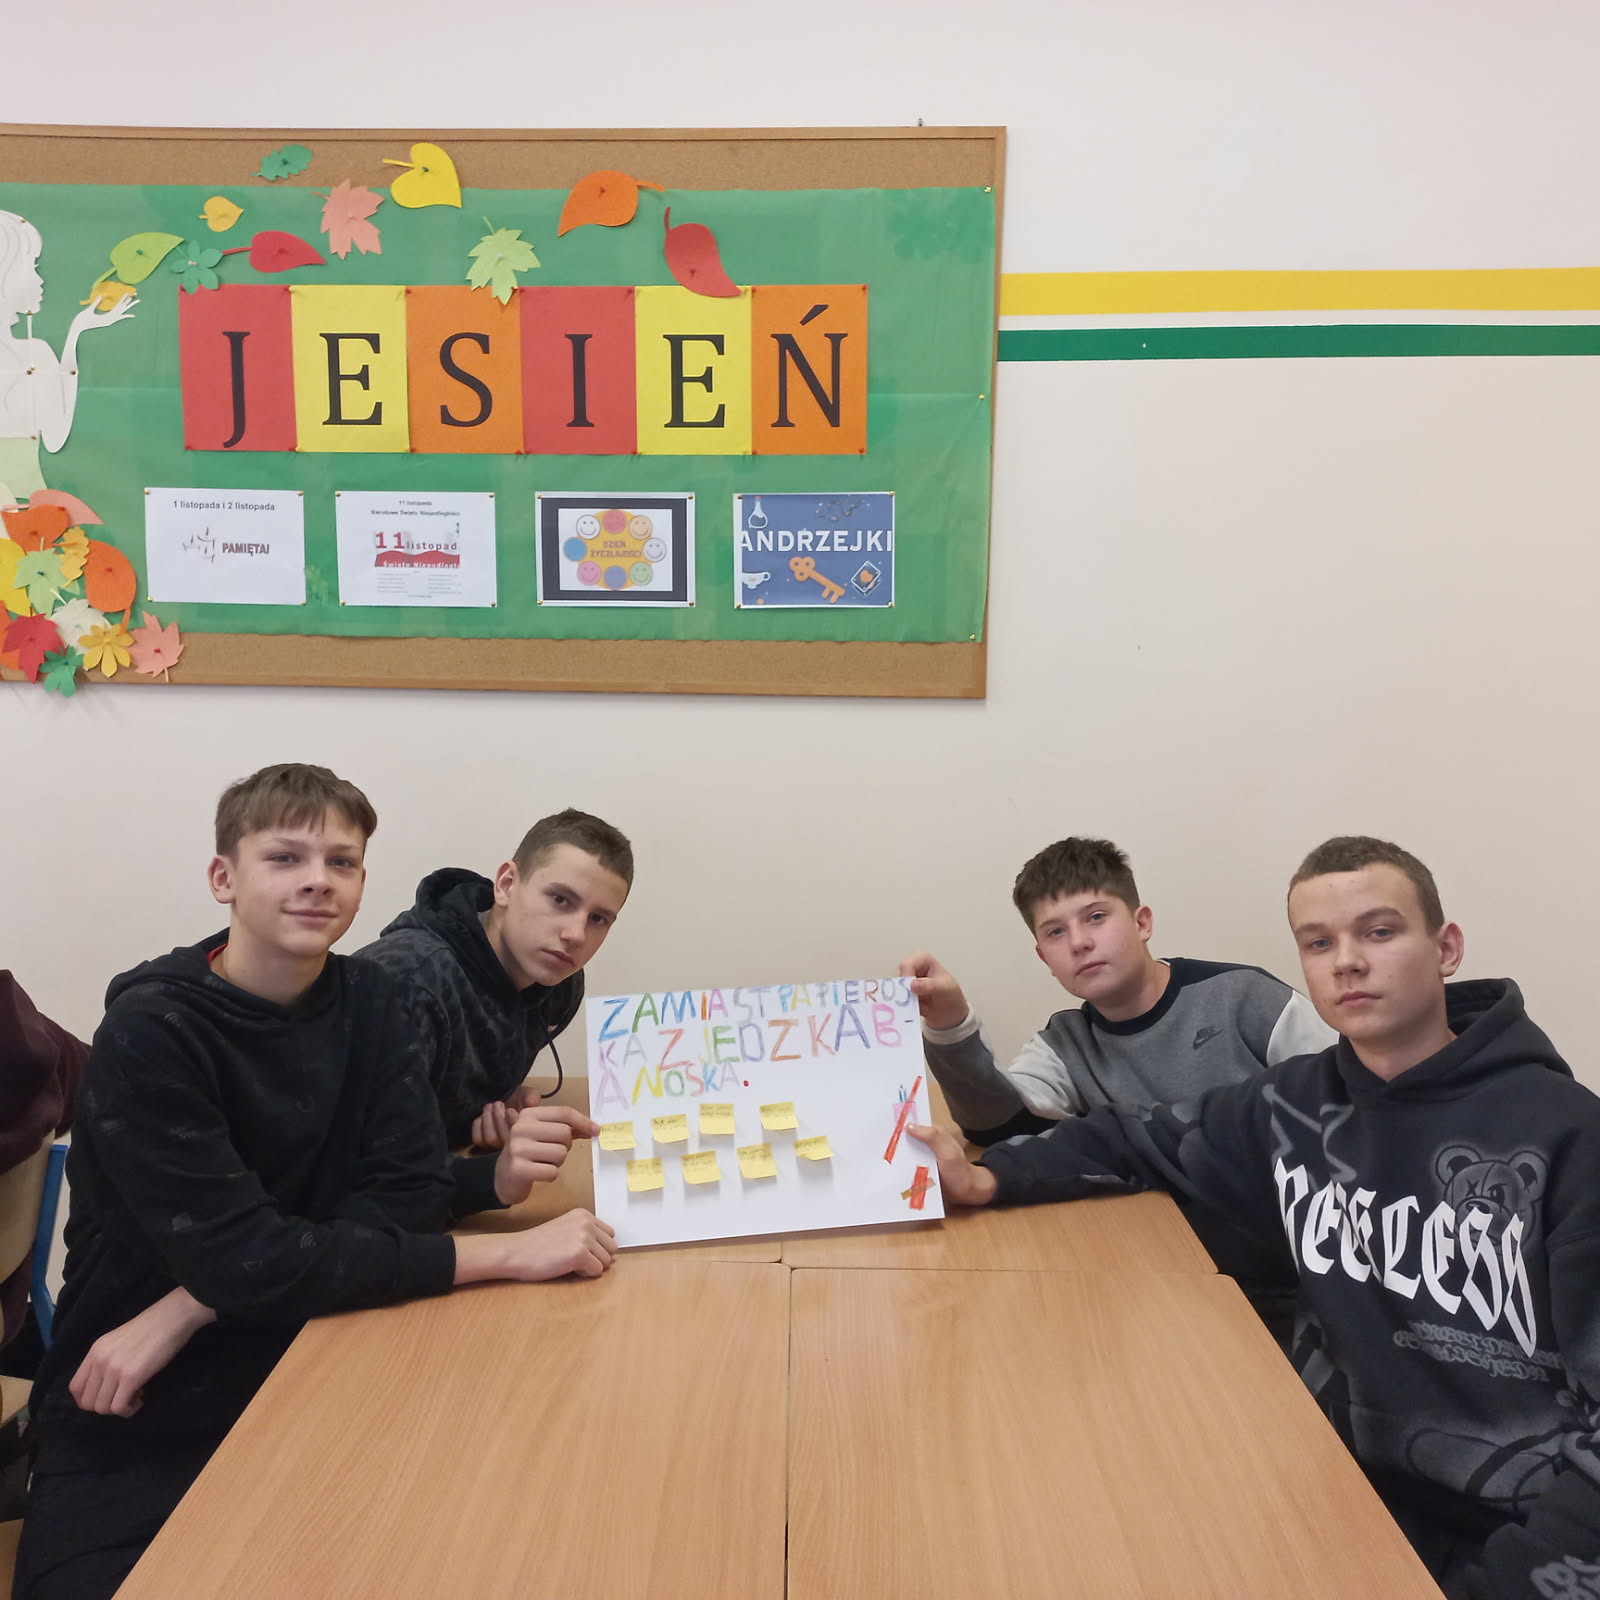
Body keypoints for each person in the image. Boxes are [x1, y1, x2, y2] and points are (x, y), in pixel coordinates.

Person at [912, 836, 1600, 1597]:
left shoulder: (1570, 1138)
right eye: (1319, 942)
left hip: (1502, 1533)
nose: (1347, 962)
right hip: (1325, 1485)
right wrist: (986, 1180)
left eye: (1378, 931)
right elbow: (1132, 1139)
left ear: (1446, 949)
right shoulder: (1292, 1104)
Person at [14, 764, 615, 1600]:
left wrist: (211, 1290)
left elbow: (407, 1199)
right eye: (285, 858)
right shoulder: (154, 1029)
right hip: (139, 1397)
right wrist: (504, 1255)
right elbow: (250, 1255)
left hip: (328, 1341)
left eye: (342, 862)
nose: (318, 881)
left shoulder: (373, 999)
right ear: (224, 877)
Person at [901, 836, 1332, 1143]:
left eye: (1095, 917)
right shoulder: (1065, 1046)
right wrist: (950, 1024)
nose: (1078, 942)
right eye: (1055, 932)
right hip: (1159, 1230)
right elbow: (997, 1127)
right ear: (1044, 958)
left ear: (1142, 923)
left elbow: (1349, 1095)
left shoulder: (1245, 998)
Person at [357, 809, 632, 1163]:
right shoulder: (408, 984)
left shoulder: (560, 986)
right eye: (560, 900)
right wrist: (489, 1177)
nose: (576, 935)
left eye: (598, 919)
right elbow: (361, 1159)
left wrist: (492, 1105)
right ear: (506, 884)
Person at [0, 209, 136, 503]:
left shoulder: (34, 353)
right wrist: (75, 333)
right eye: (31, 267)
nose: (40, 280)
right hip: (23, 508)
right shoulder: (35, 353)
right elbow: (55, 438)